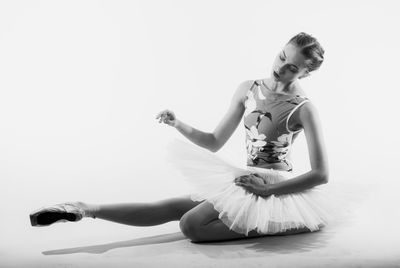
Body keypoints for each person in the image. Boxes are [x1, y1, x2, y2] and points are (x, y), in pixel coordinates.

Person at [30, 32, 331, 243]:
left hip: (273, 184)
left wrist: (266, 193)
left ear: (305, 73)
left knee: (191, 225)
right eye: (281, 56)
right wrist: (178, 124)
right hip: (247, 177)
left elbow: (321, 174)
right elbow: (214, 141)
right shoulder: (248, 88)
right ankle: (82, 208)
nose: (280, 67)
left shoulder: (304, 109)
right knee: (174, 207)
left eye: (292, 67)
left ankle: (284, 224)